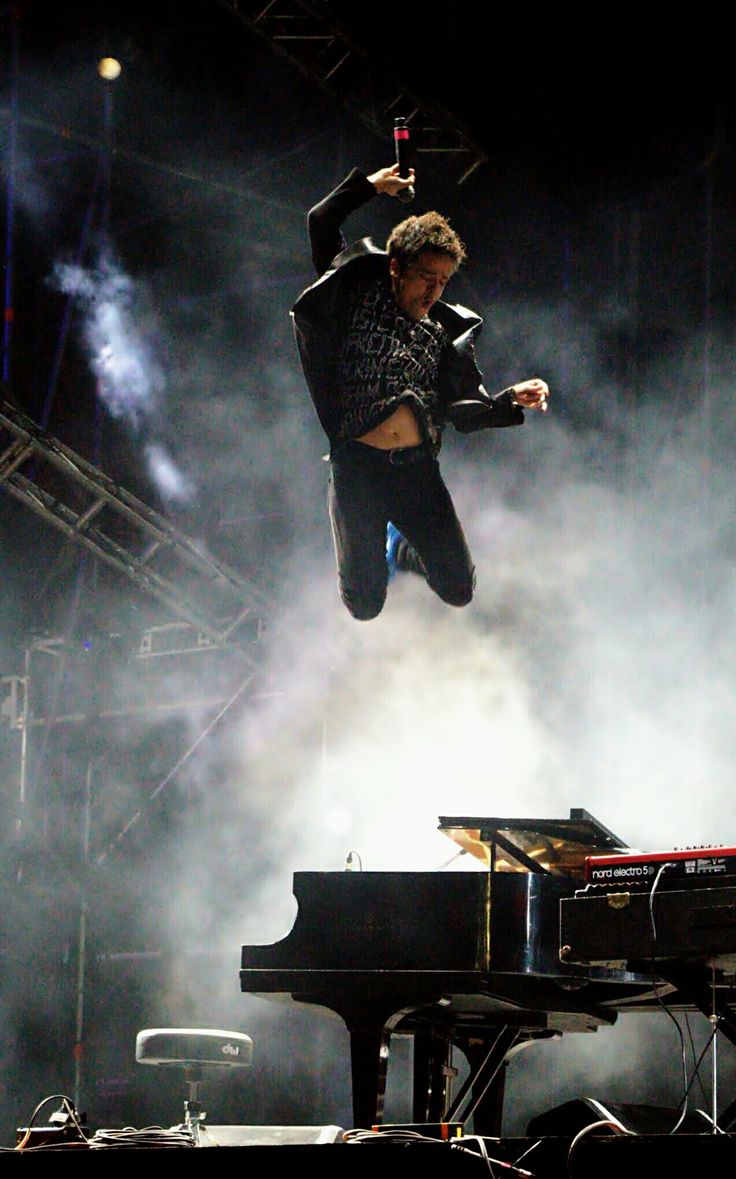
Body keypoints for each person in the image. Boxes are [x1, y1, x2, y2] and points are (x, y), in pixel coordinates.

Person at [291, 163, 549, 620]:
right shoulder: (359, 295)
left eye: (444, 280)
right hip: (358, 469)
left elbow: (465, 413)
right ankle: (387, 545)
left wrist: (510, 398)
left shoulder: (441, 332)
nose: (434, 289)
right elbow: (321, 221)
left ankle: (403, 546)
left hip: (416, 470)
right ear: (397, 267)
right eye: (426, 276)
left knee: (458, 590)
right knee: (365, 604)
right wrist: (371, 186)